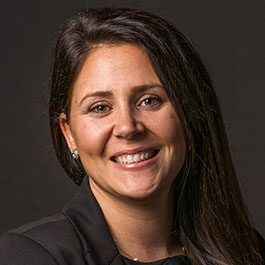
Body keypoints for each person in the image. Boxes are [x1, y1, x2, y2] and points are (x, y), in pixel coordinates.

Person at [0, 7, 264, 265]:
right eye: (100, 107)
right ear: (68, 134)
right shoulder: (30, 256)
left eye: (149, 101)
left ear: (189, 112)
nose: (127, 127)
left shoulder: (247, 251)